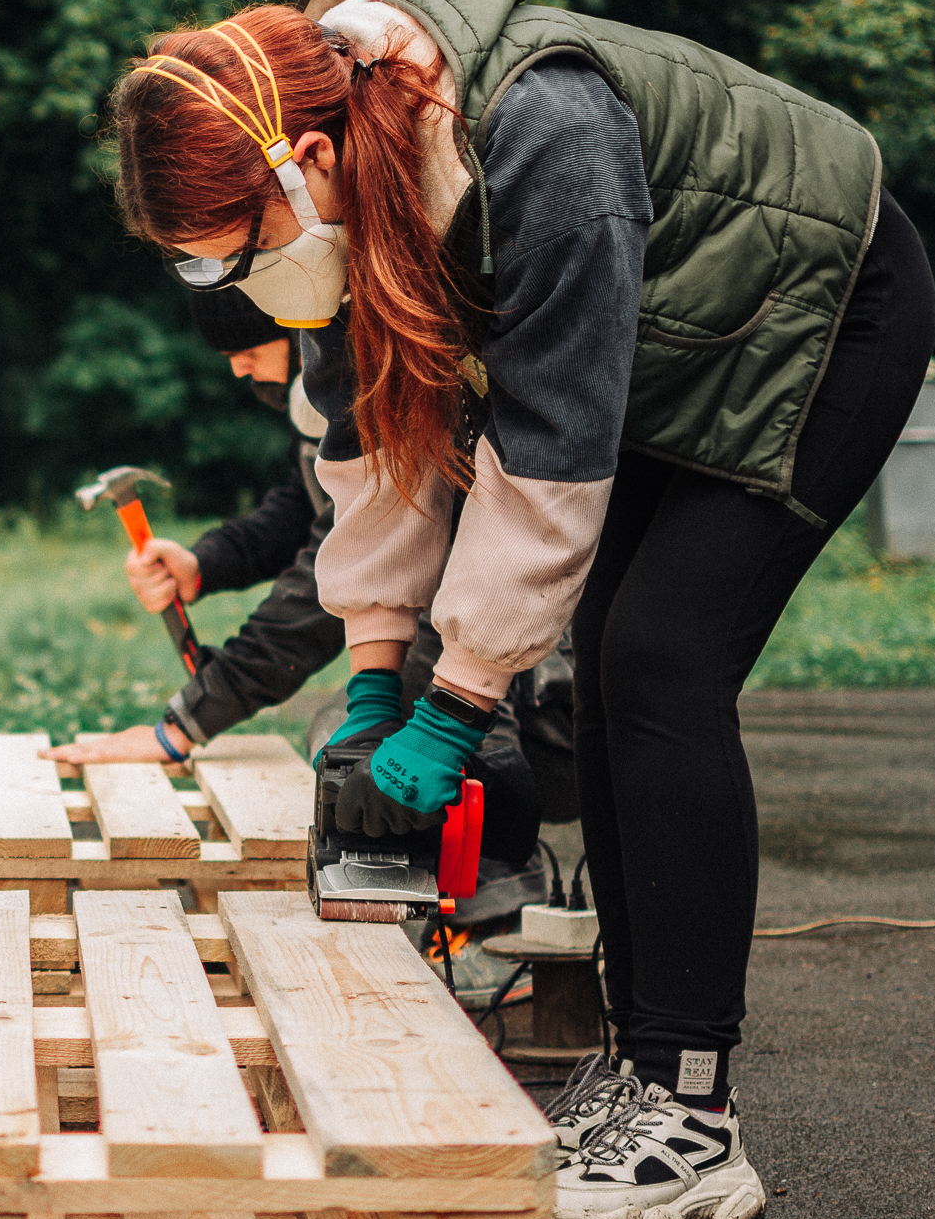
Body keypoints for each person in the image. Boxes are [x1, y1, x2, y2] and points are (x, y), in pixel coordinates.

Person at [110, 0, 934, 1219]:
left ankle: (692, 1112)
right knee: (607, 658)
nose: (230, 294)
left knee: (661, 660)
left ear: (297, 168)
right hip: (666, 341)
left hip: (821, 305)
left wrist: (458, 697)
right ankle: (643, 1049)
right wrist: (379, 668)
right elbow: (379, 440)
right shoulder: (345, 187)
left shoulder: (532, 135)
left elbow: (546, 449)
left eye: (229, 259)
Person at [42, 286, 559, 1003]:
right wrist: (209, 561)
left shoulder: (357, 375)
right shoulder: (316, 401)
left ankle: (498, 921)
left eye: (249, 353)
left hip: (508, 647)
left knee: (392, 728)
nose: (239, 374)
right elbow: (305, 508)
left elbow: (330, 577)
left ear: (296, 331)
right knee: (346, 739)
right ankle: (434, 914)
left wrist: (185, 721)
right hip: (452, 627)